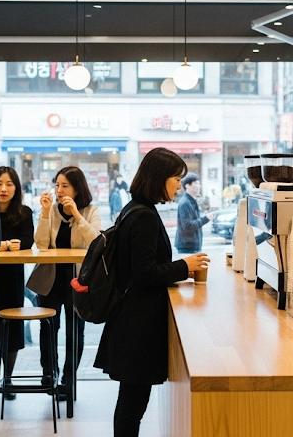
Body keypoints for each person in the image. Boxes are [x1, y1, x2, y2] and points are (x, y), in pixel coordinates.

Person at [93, 147, 210, 437]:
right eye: (175, 178)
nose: (179, 185)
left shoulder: (136, 208)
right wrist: (184, 266)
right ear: (159, 178)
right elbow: (145, 274)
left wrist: (179, 268)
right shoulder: (143, 216)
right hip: (137, 323)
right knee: (133, 402)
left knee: (131, 400)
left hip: (130, 319)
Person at [27, 165, 101, 399]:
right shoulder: (51, 211)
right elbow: (41, 244)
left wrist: (77, 215)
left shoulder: (90, 210)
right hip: (50, 279)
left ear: (78, 189)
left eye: (65, 186)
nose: (59, 190)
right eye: (57, 185)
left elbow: (96, 241)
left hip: (78, 280)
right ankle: (49, 374)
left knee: (75, 331)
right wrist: (46, 213)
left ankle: (69, 379)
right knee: (48, 327)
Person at [0, 166, 34, 399]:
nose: (4, 189)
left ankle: (8, 379)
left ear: (17, 188)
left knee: (11, 329)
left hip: (12, 279)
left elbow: (27, 239)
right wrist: (4, 245)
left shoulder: (24, 212)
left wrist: (10, 244)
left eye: (9, 184)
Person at [174, 173, 216, 254]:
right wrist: (206, 219)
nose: (199, 186)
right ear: (187, 186)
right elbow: (187, 225)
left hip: (191, 245)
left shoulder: (191, 200)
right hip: (187, 246)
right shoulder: (185, 203)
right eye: (196, 183)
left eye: (199, 183)